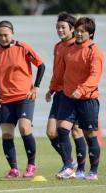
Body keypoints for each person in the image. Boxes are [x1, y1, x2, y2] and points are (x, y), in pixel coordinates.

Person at [0, 20, 45, 178]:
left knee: (24, 128)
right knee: (7, 135)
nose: (3, 38)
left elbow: (41, 65)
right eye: (0, 35)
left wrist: (36, 87)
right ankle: (14, 169)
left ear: (12, 33)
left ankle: (31, 165)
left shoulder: (23, 48)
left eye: (6, 35)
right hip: (5, 99)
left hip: (24, 96)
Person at [56, 17, 104, 180]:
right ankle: (70, 166)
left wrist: (81, 90)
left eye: (82, 31)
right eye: (76, 30)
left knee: (89, 135)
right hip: (68, 97)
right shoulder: (68, 48)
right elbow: (61, 71)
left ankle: (92, 171)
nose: (78, 33)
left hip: (87, 99)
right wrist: (52, 87)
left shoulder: (94, 51)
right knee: (62, 129)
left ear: (90, 34)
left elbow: (94, 76)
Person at [45, 12, 86, 178]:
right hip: (60, 93)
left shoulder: (77, 45)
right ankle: (70, 162)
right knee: (51, 132)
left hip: (74, 94)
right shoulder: (58, 46)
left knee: (76, 131)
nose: (60, 30)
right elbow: (58, 71)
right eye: (58, 27)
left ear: (72, 29)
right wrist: (52, 88)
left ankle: (79, 169)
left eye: (63, 27)